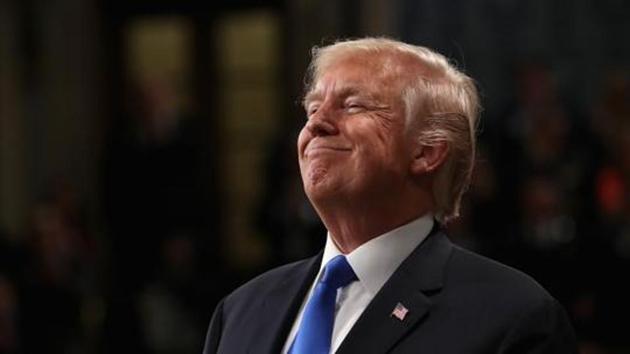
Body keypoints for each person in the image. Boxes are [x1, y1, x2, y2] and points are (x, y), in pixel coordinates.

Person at [203, 37, 577, 354]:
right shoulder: (240, 310)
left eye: (353, 105)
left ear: (427, 152)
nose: (315, 123)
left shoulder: (513, 317)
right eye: (313, 108)